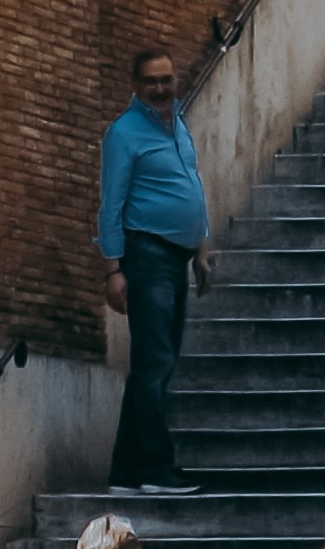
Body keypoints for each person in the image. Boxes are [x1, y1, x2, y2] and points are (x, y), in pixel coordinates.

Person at [97, 44, 213, 482]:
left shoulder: (179, 127)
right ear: (136, 86)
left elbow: (192, 185)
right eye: (152, 81)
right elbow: (111, 205)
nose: (162, 88)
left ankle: (126, 471)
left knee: (157, 362)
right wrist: (113, 271)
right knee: (156, 362)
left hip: (177, 258)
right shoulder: (123, 134)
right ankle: (156, 466)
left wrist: (200, 249)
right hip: (145, 256)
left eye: (167, 79)